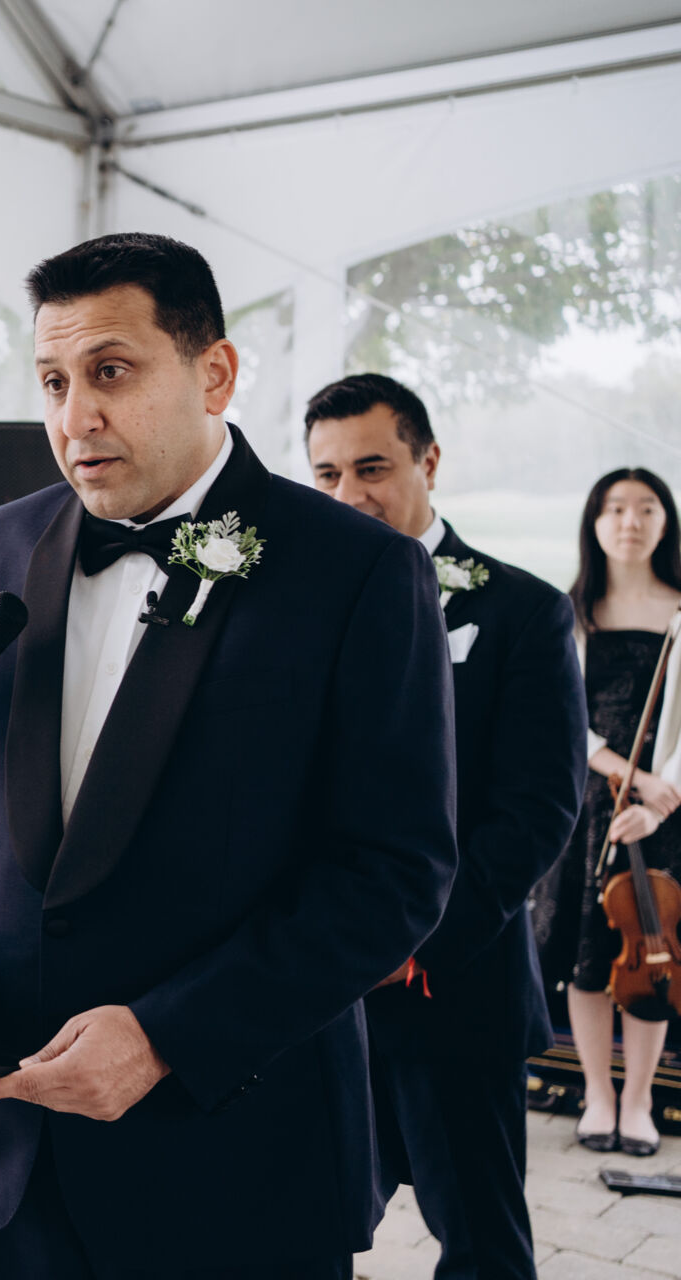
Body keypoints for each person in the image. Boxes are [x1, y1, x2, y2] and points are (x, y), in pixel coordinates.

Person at [0, 232, 458, 1279]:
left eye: (111, 371)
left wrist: (168, 1035)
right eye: (53, 381)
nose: (74, 418)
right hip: (13, 1157)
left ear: (214, 374)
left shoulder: (359, 572)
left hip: (240, 1159)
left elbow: (394, 869)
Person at [305, 372, 586, 1280]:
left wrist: (418, 939)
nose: (349, 495)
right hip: (310, 991)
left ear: (429, 462)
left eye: (372, 468)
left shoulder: (523, 610)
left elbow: (540, 805)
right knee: (302, 1229)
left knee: (480, 1243)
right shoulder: (292, 606)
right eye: (327, 475)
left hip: (450, 986)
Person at [534, 467, 681, 1159]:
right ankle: (597, 1093)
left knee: (655, 956)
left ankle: (639, 1099)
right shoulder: (569, 613)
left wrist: (662, 795)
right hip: (590, 805)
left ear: (665, 522)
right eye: (615, 509)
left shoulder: (680, 611)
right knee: (587, 956)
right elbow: (560, 719)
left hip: (667, 812)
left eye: (646, 508)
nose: (630, 522)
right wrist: (630, 777)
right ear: (594, 522)